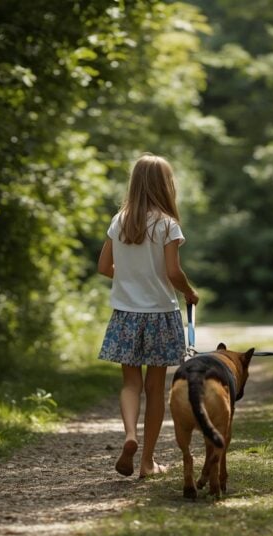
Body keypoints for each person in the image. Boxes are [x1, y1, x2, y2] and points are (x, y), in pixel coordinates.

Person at [97, 153, 200, 479]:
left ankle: (130, 437)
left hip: (125, 315)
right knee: (155, 388)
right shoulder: (167, 225)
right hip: (160, 315)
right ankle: (147, 462)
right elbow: (172, 271)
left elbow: (103, 268)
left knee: (130, 384)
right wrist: (188, 291)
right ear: (165, 186)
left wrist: (129, 278)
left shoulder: (120, 221)